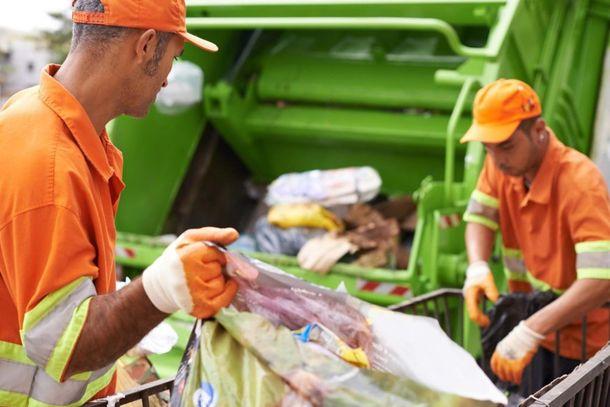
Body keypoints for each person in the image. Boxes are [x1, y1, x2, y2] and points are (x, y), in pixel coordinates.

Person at [0, 0, 237, 405]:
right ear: (145, 45)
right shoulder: (52, 167)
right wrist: (164, 287)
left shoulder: (37, 116)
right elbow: (62, 343)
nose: (166, 80)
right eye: (173, 59)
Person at [461, 79, 610, 393]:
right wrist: (477, 267)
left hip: (584, 345)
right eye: (487, 147)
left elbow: (600, 280)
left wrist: (530, 330)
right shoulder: (500, 165)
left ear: (538, 129)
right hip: (536, 330)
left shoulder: (580, 182)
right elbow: (479, 216)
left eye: (506, 145)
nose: (497, 158)